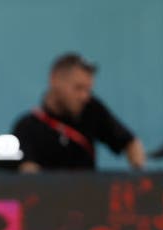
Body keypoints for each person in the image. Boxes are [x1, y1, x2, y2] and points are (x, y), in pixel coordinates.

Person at [12, 53, 146, 173]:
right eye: (78, 88)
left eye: (88, 90)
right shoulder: (26, 127)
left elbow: (131, 143)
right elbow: (28, 174)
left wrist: (138, 170)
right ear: (54, 80)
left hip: (89, 192)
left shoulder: (92, 109)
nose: (84, 96)